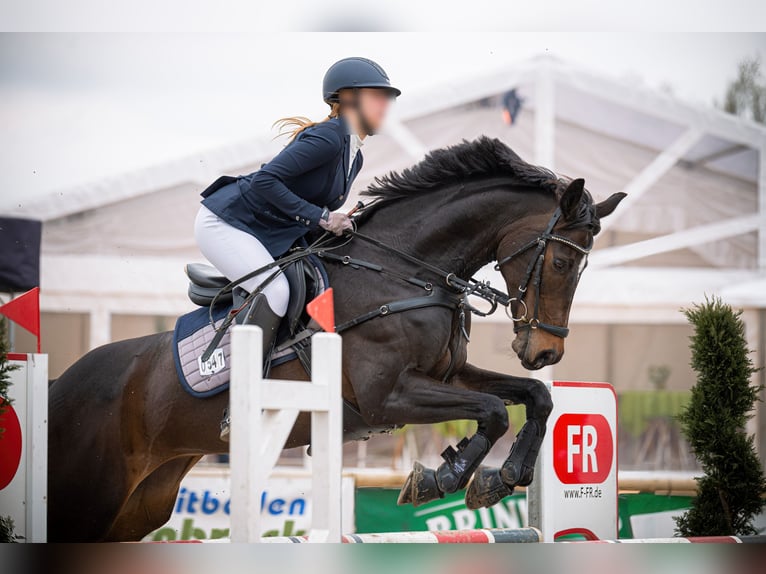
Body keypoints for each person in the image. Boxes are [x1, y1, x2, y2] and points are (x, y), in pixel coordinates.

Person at [194, 57, 399, 440]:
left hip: (267, 231)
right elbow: (265, 182)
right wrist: (323, 218)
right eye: (378, 97)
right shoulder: (329, 138)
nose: (385, 105)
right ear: (349, 99)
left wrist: (337, 222)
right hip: (227, 223)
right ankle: (239, 403)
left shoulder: (353, 153)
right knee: (277, 290)